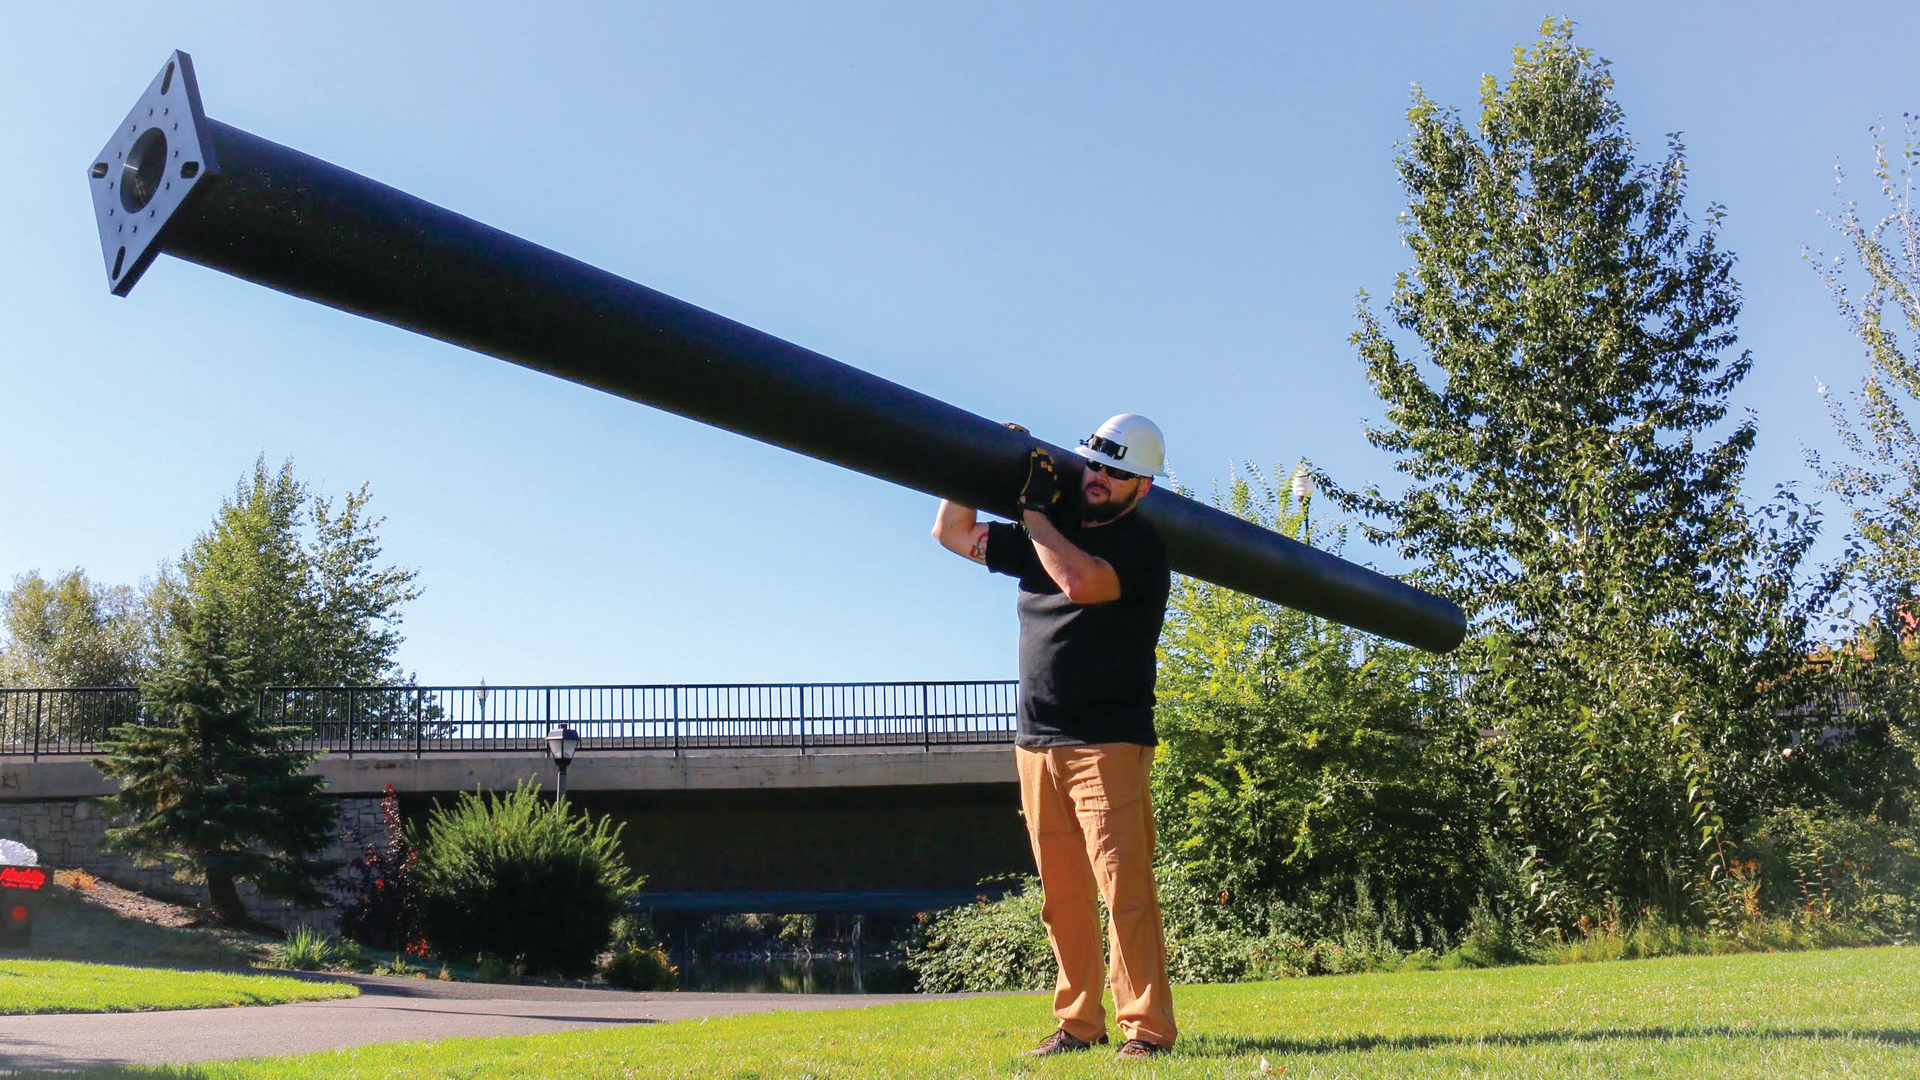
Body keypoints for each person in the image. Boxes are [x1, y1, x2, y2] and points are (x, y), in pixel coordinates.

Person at [931, 413, 1176, 1061]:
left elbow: (1080, 582)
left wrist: (1035, 513)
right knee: (1062, 897)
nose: (1099, 477)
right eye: (1094, 463)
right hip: (1036, 743)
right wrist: (975, 464)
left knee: (1124, 893)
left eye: (1117, 471)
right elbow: (951, 532)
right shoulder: (1045, 534)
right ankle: (1078, 1023)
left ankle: (1146, 1030)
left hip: (1107, 742)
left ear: (1143, 486)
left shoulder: (1140, 546)